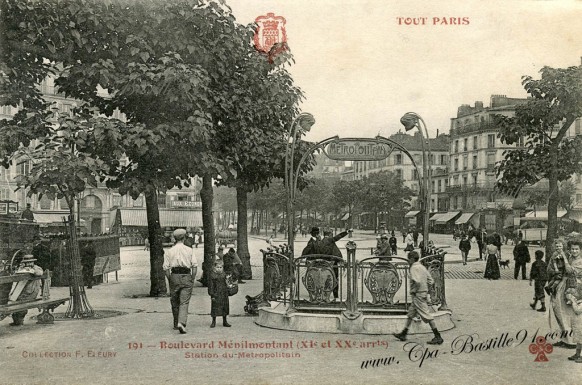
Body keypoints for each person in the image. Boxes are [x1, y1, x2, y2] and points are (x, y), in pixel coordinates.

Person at [393, 251, 443, 345]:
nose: (408, 261)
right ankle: (403, 333)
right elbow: (431, 281)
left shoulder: (414, 268)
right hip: (421, 294)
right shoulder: (422, 267)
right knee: (411, 314)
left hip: (417, 295)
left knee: (427, 316)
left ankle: (438, 336)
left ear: (412, 259)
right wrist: (425, 290)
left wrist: (414, 290)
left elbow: (417, 281)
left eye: (409, 259)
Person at [163, 228, 198, 334]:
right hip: (186, 275)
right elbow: (195, 266)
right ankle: (181, 323)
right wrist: (192, 278)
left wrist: (170, 278)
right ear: (184, 237)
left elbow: (166, 268)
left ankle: (175, 323)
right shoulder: (189, 250)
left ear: (174, 238)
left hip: (174, 275)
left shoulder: (169, 251)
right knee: (184, 302)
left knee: (174, 300)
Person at [548, 239, 578, 349]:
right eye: (573, 249)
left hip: (568, 287)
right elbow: (550, 268)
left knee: (566, 313)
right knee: (559, 312)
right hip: (560, 284)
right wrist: (554, 272)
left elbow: (570, 271)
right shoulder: (558, 256)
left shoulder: (569, 257)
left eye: (576, 249)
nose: (574, 251)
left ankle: (571, 341)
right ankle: (565, 338)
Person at [8, 255, 44, 326]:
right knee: (14, 298)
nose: (29, 264)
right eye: (27, 263)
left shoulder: (36, 268)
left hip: (31, 291)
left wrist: (32, 270)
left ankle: (19, 320)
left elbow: (40, 273)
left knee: (20, 301)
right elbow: (15, 276)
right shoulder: (22, 268)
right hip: (23, 290)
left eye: (30, 262)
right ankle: (17, 320)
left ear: (33, 262)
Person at [320, 229, 349, 301]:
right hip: (332, 263)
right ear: (330, 235)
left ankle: (325, 295)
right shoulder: (330, 240)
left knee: (326, 279)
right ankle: (335, 296)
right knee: (335, 279)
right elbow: (338, 237)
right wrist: (346, 232)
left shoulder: (321, 242)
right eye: (331, 234)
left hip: (325, 264)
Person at [208, 261, 231, 328]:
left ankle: (225, 321)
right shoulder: (212, 275)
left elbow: (227, 283)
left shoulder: (224, 274)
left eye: (221, 267)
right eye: (217, 267)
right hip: (216, 293)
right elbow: (211, 286)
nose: (219, 269)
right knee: (215, 307)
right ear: (214, 267)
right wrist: (212, 294)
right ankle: (213, 321)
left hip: (224, 293)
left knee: (225, 307)